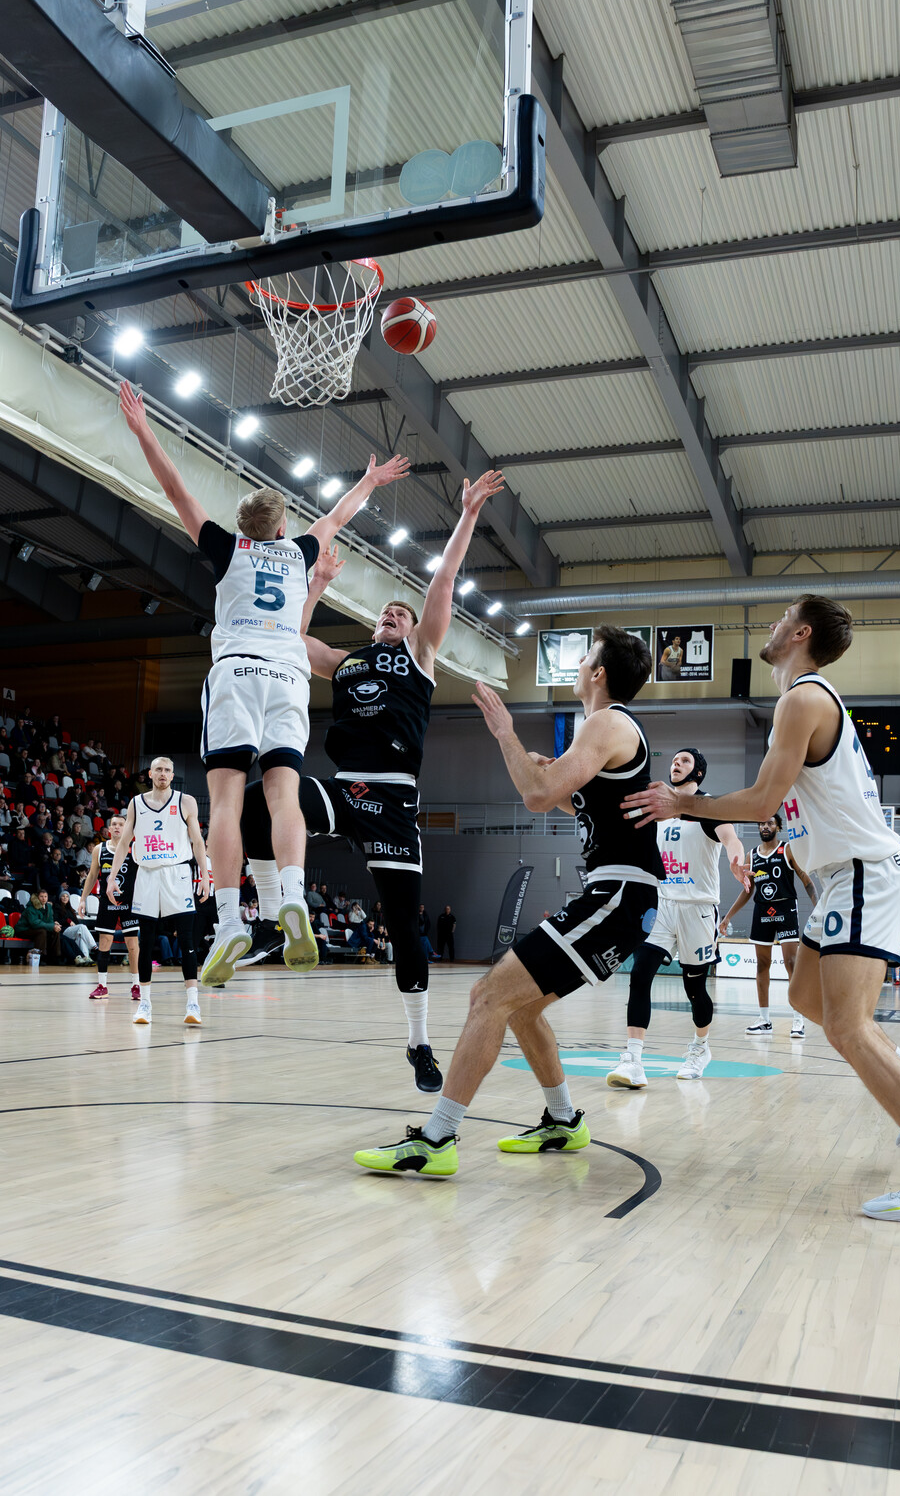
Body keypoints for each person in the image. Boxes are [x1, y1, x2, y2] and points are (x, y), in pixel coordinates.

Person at [623, 594, 900, 1223]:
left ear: (801, 633)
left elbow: (762, 802)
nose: (773, 623)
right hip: (841, 875)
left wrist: (685, 804)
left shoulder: (804, 698)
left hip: (862, 872)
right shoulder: (801, 701)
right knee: (805, 998)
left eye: (783, 617)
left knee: (846, 1026)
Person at [119, 380, 409, 987]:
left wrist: (143, 430)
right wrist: (370, 481)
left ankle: (230, 921)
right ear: (280, 530)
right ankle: (293, 898)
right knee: (283, 797)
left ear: (244, 528)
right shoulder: (299, 551)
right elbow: (338, 515)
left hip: (238, 673)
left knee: (226, 803)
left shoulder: (227, 549)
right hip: (288, 677)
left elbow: (175, 489)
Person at [352, 625, 662, 1178]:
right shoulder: (608, 731)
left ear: (598, 673)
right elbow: (569, 800)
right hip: (622, 895)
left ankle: (437, 1138)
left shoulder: (606, 722)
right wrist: (546, 771)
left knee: (487, 996)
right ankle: (563, 1121)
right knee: (519, 1007)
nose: (578, 665)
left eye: (585, 657)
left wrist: (505, 735)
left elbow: (537, 796)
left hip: (618, 893)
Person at [239, 467, 506, 1093]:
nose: (391, 614)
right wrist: (315, 584)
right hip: (344, 785)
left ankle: (419, 1042)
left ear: (413, 629)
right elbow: (289, 638)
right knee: (259, 802)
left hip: (392, 799)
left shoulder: (419, 656)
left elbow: (443, 582)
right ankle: (275, 919)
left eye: (400, 613)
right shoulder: (347, 660)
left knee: (406, 928)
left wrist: (468, 512)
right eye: (385, 611)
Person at [608, 747, 748, 1088]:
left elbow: (731, 839)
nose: (676, 763)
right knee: (640, 974)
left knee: (694, 988)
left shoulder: (708, 808)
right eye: (674, 759)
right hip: (662, 904)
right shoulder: (658, 810)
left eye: (685, 760)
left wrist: (736, 859)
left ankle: (700, 1047)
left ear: (698, 772)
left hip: (698, 908)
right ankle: (633, 1060)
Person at [107, 756, 209, 1026]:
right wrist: (112, 877)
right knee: (146, 940)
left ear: (173, 775)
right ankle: (145, 1004)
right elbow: (124, 842)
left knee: (187, 940)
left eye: (167, 770)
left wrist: (204, 875)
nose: (163, 773)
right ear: (150, 774)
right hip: (147, 874)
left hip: (178, 873)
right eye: (159, 769)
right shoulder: (136, 803)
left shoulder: (186, 802)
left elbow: (197, 841)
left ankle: (193, 1003)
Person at [720, 811, 814, 1038]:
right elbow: (747, 891)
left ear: (778, 827)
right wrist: (728, 916)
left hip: (785, 908)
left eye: (770, 823)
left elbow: (807, 881)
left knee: (791, 963)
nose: (765, 826)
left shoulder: (787, 849)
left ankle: (798, 1020)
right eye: (762, 823)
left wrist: (818, 906)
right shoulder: (751, 856)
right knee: (762, 965)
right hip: (762, 910)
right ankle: (764, 1020)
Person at [79, 815, 141, 1002]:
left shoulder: (134, 848)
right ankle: (102, 986)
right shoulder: (100, 849)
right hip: (107, 902)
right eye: (114, 824)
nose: (117, 827)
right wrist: (83, 899)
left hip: (129, 902)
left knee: (132, 945)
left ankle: (136, 985)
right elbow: (92, 876)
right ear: (109, 828)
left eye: (121, 824)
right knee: (104, 942)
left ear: (126, 828)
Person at [23, 890, 62, 964]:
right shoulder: (31, 907)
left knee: (55, 931)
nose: (44, 898)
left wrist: (54, 925)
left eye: (45, 896)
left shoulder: (49, 907)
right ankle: (41, 957)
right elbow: (34, 923)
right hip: (25, 929)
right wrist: (51, 926)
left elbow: (49, 921)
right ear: (37, 897)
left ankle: (55, 957)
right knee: (42, 932)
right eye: (41, 896)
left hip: (37, 928)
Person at [56, 890, 95, 964]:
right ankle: (94, 947)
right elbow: (57, 920)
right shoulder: (56, 907)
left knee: (80, 937)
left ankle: (85, 958)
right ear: (60, 898)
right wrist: (68, 921)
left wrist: (72, 922)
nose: (65, 898)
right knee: (81, 927)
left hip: (72, 931)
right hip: (63, 930)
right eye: (63, 896)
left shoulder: (71, 910)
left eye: (67, 896)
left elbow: (76, 922)